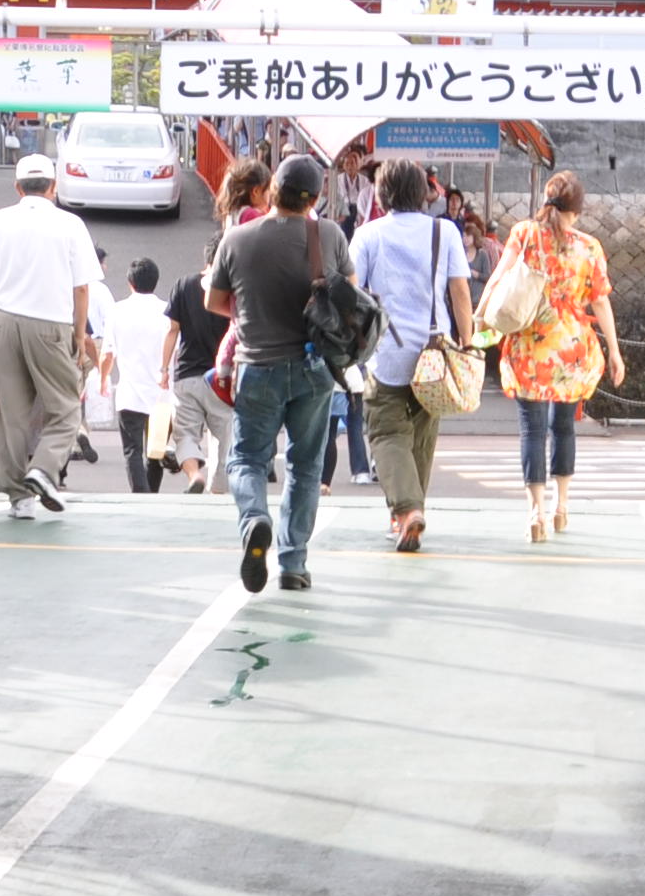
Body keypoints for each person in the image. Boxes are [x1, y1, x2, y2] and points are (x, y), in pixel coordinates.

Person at [211, 155, 351, 593]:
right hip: (314, 369)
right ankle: (293, 564)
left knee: (246, 459)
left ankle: (255, 518)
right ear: (315, 198)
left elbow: (214, 301)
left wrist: (251, 311)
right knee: (305, 466)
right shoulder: (328, 234)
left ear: (272, 189)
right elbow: (349, 294)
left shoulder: (237, 238)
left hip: (257, 366)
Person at [0, 155, 103, 519]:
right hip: (51, 324)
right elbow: (81, 288)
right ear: (54, 187)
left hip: (4, 324)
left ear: (18, 187)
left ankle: (19, 499)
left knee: (9, 414)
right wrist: (78, 334)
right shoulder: (70, 224)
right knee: (65, 408)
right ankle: (43, 467)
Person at [494, 170, 624, 544]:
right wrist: (615, 351)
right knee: (564, 427)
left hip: (530, 344)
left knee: (531, 430)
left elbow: (500, 278)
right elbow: (600, 301)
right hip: (572, 349)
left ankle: (535, 512)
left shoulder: (524, 234)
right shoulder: (589, 247)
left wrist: (480, 320)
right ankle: (561, 505)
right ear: (578, 209)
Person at [349, 162, 470, 553]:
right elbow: (460, 291)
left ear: (381, 194)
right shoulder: (444, 231)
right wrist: (467, 342)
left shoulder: (367, 234)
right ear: (423, 193)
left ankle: (407, 510)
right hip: (434, 351)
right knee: (422, 434)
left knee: (386, 433)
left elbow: (352, 292)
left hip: (386, 351)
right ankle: (405, 515)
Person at [101, 257, 176, 491]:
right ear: (155, 281)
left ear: (130, 282)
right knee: (156, 451)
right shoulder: (167, 311)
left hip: (129, 393)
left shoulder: (117, 311)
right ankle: (151, 496)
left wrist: (103, 379)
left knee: (132, 451)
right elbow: (176, 349)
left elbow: (108, 354)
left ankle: (140, 496)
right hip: (161, 394)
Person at [162, 260, 230, 491]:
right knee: (225, 438)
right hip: (222, 378)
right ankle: (219, 488)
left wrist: (164, 370)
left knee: (185, 435)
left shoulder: (184, 284)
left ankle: (194, 475)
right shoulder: (233, 287)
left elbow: (172, 329)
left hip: (187, 374)